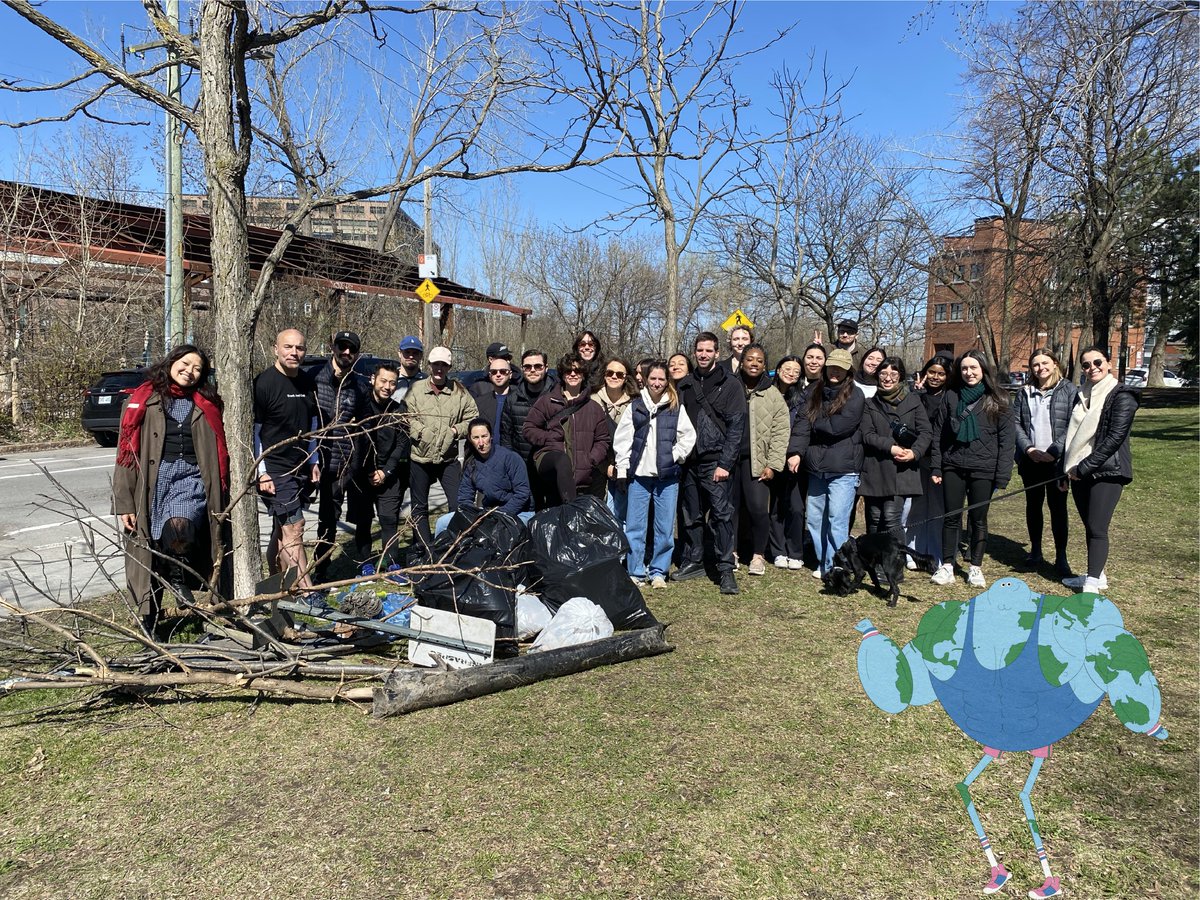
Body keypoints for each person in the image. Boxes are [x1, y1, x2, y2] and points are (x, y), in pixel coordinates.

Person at [113, 344, 230, 634]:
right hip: (151, 482)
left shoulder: (207, 402)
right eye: (185, 364)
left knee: (179, 526)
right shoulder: (143, 400)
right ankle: (149, 624)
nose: (189, 372)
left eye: (198, 369)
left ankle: (177, 579)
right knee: (148, 551)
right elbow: (125, 452)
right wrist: (124, 503)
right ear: (172, 361)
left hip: (191, 478)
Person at [929, 350, 1015, 588]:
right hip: (953, 466)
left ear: (984, 370)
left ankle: (975, 567)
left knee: (978, 519)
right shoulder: (951, 396)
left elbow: (1007, 441)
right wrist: (937, 466)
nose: (969, 372)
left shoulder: (999, 398)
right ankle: (947, 564)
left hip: (984, 469)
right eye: (964, 368)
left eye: (974, 368)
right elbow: (938, 435)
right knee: (951, 517)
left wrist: (1002, 474)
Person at [673, 331, 747, 595]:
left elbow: (736, 427)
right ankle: (694, 560)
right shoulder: (684, 384)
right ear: (694, 352)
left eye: (708, 350)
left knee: (721, 515)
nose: (703, 355)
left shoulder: (730, 384)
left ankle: (726, 568)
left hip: (715, 460)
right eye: (699, 350)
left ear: (717, 353)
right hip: (688, 462)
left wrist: (725, 463)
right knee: (690, 515)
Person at [1060, 347, 1138, 594]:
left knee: (1097, 527)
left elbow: (1115, 437)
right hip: (1078, 469)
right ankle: (1097, 574)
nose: (1091, 368)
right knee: (1089, 525)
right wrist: (1068, 470)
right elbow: (1072, 438)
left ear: (1108, 363)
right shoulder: (1081, 395)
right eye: (1085, 365)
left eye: (1097, 362)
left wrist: (1085, 467)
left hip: (1108, 471)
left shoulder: (1123, 395)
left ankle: (1092, 583)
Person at [613, 361, 696, 588]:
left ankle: (659, 571)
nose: (657, 383)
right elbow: (622, 440)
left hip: (667, 477)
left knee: (664, 527)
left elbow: (688, 437)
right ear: (646, 380)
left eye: (661, 379)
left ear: (667, 381)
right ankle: (636, 571)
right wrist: (622, 469)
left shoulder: (675, 406)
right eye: (653, 379)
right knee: (635, 527)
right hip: (639, 475)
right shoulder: (636, 406)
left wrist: (675, 455)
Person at [786, 348, 865, 579]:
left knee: (837, 520)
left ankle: (836, 566)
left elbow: (838, 427)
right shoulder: (814, 391)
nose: (835, 372)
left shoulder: (856, 395)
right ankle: (823, 562)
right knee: (816, 518)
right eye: (832, 367)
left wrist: (815, 422)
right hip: (816, 467)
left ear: (848, 370)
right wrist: (796, 452)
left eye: (840, 368)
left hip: (843, 469)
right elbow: (801, 423)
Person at [253, 328, 319, 591]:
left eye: (299, 348)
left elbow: (313, 423)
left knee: (282, 529)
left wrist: (313, 460)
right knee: (295, 527)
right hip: (275, 468)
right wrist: (262, 472)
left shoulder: (307, 382)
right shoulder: (264, 383)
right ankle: (307, 591)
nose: (294, 352)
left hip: (301, 465)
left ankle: (277, 581)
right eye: (288, 347)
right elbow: (254, 432)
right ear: (275, 349)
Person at [404, 346, 477, 548]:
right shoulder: (417, 389)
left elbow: (473, 418)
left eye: (443, 365)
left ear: (449, 367)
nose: (439, 369)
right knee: (419, 508)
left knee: (457, 503)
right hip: (420, 457)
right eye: (436, 364)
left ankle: (451, 545)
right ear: (429, 365)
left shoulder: (459, 391)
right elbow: (406, 417)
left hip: (448, 458)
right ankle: (424, 549)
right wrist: (420, 432)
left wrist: (455, 430)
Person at [1015, 347, 1078, 577]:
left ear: (1055, 364)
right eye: (1035, 365)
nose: (1040, 368)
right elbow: (1016, 424)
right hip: (1031, 459)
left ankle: (1061, 557)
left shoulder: (1069, 390)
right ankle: (1036, 551)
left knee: (1058, 508)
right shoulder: (1024, 392)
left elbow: (1074, 423)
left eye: (1045, 363)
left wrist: (1054, 451)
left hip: (1057, 462)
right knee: (1033, 506)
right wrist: (1029, 449)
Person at [858, 356, 932, 553]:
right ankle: (874, 560)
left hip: (902, 470)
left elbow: (926, 432)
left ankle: (895, 563)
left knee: (891, 518)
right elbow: (867, 434)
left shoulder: (913, 401)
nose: (887, 378)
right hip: (875, 468)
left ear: (900, 376)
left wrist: (915, 453)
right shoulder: (869, 403)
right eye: (883, 373)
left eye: (893, 373)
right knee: (873, 518)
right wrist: (890, 447)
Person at [312, 330, 369, 582]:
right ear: (333, 348)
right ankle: (308, 571)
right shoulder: (315, 379)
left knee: (334, 518)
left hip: (345, 463)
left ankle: (325, 568)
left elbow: (365, 422)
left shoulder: (358, 386)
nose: (346, 352)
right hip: (318, 460)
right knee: (307, 521)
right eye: (342, 347)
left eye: (351, 349)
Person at [522, 352, 612, 505]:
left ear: (583, 375)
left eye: (577, 371)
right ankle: (571, 509)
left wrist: (591, 459)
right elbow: (528, 428)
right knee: (562, 461)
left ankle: (571, 509)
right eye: (568, 371)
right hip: (550, 461)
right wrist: (548, 438)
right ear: (562, 375)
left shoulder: (594, 408)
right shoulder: (548, 401)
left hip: (582, 472)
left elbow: (602, 439)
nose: (572, 374)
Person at [732, 344, 791, 576]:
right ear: (742, 362)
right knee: (731, 509)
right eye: (750, 359)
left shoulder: (773, 394)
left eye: (759, 360)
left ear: (764, 365)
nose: (754, 363)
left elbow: (781, 431)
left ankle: (758, 555)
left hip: (757, 463)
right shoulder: (730, 386)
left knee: (758, 509)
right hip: (730, 460)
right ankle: (732, 552)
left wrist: (774, 464)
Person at [350, 361, 409, 566]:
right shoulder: (360, 405)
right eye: (383, 381)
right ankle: (365, 564)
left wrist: (386, 471)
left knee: (388, 520)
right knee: (363, 522)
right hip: (361, 475)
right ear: (373, 379)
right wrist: (367, 471)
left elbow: (402, 442)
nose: (387, 386)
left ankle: (392, 564)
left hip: (389, 475)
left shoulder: (399, 409)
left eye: (392, 383)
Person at [434, 417, 532, 535]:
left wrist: (501, 514)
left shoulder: (510, 458)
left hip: (519, 512)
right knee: (442, 522)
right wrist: (470, 516)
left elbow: (522, 493)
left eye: (484, 436)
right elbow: (465, 497)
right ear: (470, 439)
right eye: (476, 438)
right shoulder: (471, 463)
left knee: (499, 533)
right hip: (488, 512)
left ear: (491, 436)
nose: (481, 443)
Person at [905, 353, 953, 569]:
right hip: (916, 457)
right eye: (931, 372)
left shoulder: (950, 396)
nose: (935, 377)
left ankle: (936, 554)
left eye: (940, 374)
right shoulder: (916, 394)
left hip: (940, 459)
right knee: (914, 506)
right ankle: (912, 552)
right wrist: (917, 394)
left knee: (937, 509)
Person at [502, 348, 558, 509]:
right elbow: (506, 436)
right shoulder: (512, 399)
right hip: (525, 471)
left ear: (546, 368)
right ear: (522, 368)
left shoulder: (558, 396)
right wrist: (513, 469)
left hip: (553, 469)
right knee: (530, 517)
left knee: (554, 517)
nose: (532, 370)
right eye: (527, 367)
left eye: (538, 366)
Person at [767, 355, 807, 570]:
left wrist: (795, 452)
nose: (791, 373)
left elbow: (802, 427)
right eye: (787, 368)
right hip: (769, 458)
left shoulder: (803, 398)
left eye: (796, 371)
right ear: (778, 368)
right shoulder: (767, 393)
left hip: (793, 458)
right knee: (776, 506)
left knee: (796, 507)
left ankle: (796, 551)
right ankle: (778, 550)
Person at [593, 355, 637, 523]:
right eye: (610, 372)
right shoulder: (592, 400)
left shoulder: (636, 403)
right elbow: (587, 439)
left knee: (622, 516)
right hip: (598, 467)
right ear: (604, 375)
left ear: (626, 378)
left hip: (626, 467)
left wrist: (623, 466)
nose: (614, 377)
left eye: (619, 374)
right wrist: (606, 467)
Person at [470, 342, 514, 443]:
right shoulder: (479, 391)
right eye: (494, 372)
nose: (498, 375)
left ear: (510, 374)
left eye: (503, 371)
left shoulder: (519, 394)